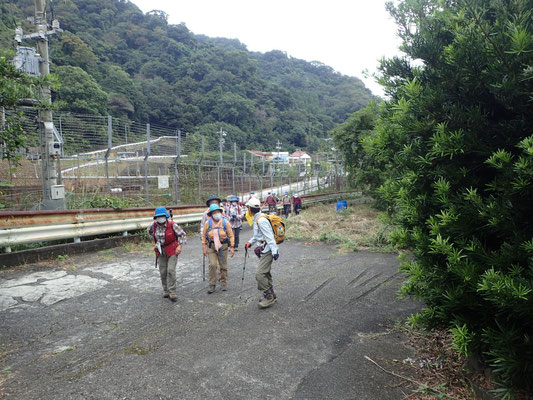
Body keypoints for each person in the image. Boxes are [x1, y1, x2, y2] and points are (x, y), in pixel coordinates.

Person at [244, 197, 280, 309]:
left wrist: (274, 251)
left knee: (260, 274)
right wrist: (250, 243)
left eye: (247, 208)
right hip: (264, 249)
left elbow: (269, 237)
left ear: (249, 209)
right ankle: (271, 293)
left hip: (268, 250)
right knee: (266, 272)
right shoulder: (257, 218)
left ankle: (268, 296)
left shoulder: (261, 220)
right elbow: (257, 236)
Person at [147, 207, 187, 301]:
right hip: (160, 250)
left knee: (170, 270)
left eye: (162, 216)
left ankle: (172, 291)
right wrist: (155, 241)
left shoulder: (172, 225)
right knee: (163, 271)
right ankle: (165, 290)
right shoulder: (154, 225)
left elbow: (183, 235)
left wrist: (179, 246)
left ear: (166, 216)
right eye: (158, 216)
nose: (160, 218)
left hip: (172, 249)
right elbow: (149, 231)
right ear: (156, 218)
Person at [202, 204, 235, 293]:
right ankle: (212, 284)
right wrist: (204, 248)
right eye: (214, 212)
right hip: (211, 247)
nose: (217, 214)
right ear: (211, 214)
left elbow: (231, 235)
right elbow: (204, 236)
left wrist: (232, 247)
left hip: (223, 247)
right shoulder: (207, 223)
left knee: (223, 266)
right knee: (212, 265)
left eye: (218, 212)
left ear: (220, 212)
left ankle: (223, 283)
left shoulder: (225, 222)